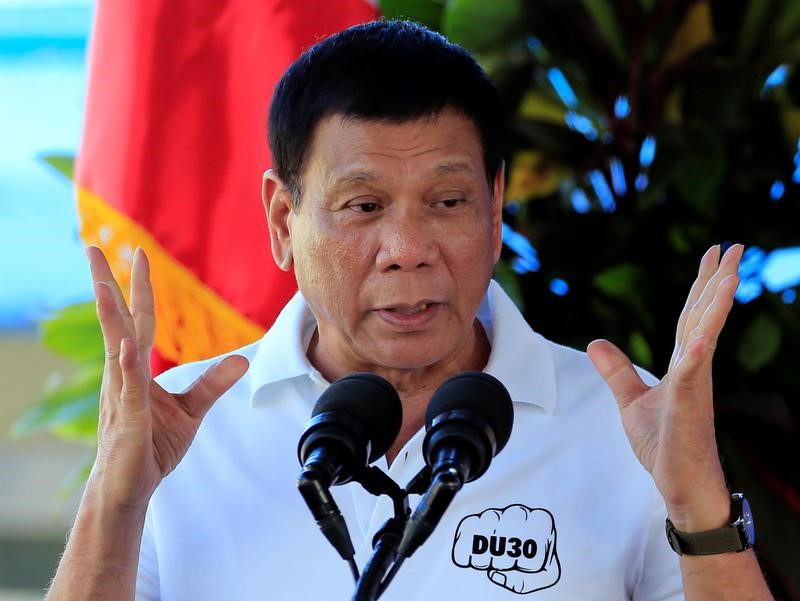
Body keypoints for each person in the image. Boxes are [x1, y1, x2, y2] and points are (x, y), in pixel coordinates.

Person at [46, 20, 773, 600]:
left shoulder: (632, 430)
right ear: (281, 221)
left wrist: (699, 509)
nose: (407, 248)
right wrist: (115, 502)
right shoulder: (177, 435)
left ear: (495, 211)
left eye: (447, 202)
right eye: (363, 206)